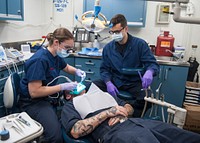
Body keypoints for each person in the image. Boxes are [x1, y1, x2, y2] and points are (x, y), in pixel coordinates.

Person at [61, 84, 200, 143]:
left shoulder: (102, 94)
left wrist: (124, 111)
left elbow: (129, 107)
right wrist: (108, 113)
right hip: (114, 132)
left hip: (139, 123)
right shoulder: (71, 105)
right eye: (71, 87)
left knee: (183, 136)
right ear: (68, 95)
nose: (77, 85)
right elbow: (75, 131)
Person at [18, 27, 86, 143]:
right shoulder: (39, 60)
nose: (68, 51)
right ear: (56, 43)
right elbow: (34, 92)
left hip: (48, 96)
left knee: (80, 95)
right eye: (67, 48)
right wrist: (62, 87)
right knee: (56, 137)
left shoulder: (56, 56)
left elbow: (66, 67)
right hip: (33, 103)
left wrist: (76, 71)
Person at [93, 14, 159, 117]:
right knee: (93, 87)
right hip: (116, 80)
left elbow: (152, 63)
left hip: (134, 82)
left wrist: (150, 72)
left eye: (117, 32)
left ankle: (130, 115)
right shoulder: (108, 48)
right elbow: (104, 69)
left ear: (126, 29)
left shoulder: (140, 45)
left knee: (148, 99)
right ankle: (106, 114)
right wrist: (108, 82)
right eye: (112, 32)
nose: (114, 35)